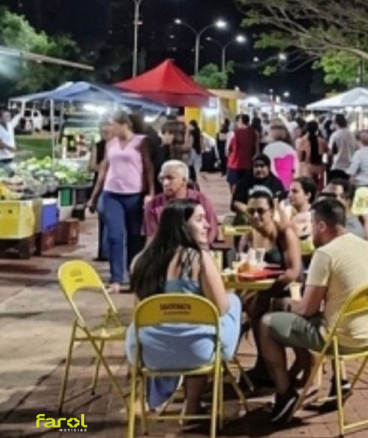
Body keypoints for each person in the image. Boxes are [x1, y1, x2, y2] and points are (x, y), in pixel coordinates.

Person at [258, 198, 368, 424]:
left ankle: (285, 393)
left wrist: (289, 305)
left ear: (322, 226)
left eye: (310, 225)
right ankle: (335, 379)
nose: (308, 231)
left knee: (267, 323)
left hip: (339, 338)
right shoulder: (367, 247)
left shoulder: (325, 254)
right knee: (298, 311)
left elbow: (307, 309)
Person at [127, 200, 241, 415]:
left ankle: (152, 400)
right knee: (229, 306)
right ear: (181, 225)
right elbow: (221, 308)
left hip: (150, 354)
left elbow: (139, 312)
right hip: (197, 351)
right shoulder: (199, 259)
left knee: (186, 326)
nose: (207, 225)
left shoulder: (141, 261)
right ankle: (191, 405)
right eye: (199, 219)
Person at [239, 186, 304, 385]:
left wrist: (265, 291)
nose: (256, 216)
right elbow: (246, 267)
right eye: (251, 211)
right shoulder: (250, 235)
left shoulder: (284, 233)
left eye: (261, 211)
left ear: (272, 210)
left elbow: (294, 272)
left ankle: (274, 369)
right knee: (238, 309)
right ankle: (264, 365)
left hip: (286, 290)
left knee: (256, 310)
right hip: (260, 289)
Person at [87, 109, 155, 293]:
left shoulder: (141, 142)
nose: (108, 128)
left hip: (134, 194)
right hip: (111, 193)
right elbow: (103, 170)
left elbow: (148, 168)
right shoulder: (111, 144)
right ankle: (116, 278)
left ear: (123, 124)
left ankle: (134, 276)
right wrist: (94, 197)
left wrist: (151, 193)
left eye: (112, 124)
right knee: (115, 236)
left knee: (135, 237)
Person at [143, 159, 218, 240]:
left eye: (170, 178)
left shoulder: (202, 201)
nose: (165, 183)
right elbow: (152, 237)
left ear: (184, 180)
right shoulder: (153, 205)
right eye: (162, 179)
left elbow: (211, 231)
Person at [347, 130, 368, 240]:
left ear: (358, 141)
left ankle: (365, 237)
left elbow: (352, 171)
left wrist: (347, 172)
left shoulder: (359, 154)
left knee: (363, 215)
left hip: (362, 185)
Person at [231, 154, 286, 225]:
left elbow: (282, 203)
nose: (259, 169)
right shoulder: (244, 182)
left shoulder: (276, 183)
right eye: (256, 166)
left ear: (268, 167)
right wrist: (250, 211)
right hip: (247, 220)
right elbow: (236, 202)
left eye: (262, 166)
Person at [88, 118, 113, 262]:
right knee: (103, 220)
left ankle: (107, 251)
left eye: (107, 128)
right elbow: (92, 166)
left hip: (110, 186)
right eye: (102, 129)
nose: (105, 131)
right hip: (101, 185)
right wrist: (104, 167)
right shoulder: (98, 146)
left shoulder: (118, 146)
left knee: (109, 221)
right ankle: (104, 252)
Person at [226, 114, 258, 192]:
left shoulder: (233, 133)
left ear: (240, 121)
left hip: (234, 164)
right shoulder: (254, 133)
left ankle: (235, 199)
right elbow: (257, 150)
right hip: (248, 164)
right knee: (247, 185)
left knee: (234, 185)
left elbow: (227, 150)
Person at [288, 177, 317, 253]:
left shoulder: (315, 216)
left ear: (307, 195)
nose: (289, 195)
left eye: (295, 191)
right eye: (290, 191)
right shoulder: (286, 213)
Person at [297, 119, 328, 190]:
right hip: (319, 167)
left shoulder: (302, 141)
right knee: (319, 187)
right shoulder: (322, 141)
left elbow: (300, 157)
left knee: (308, 186)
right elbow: (327, 153)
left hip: (307, 166)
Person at [0, 107, 20, 171]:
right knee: (8, 173)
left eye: (9, 116)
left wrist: (19, 111)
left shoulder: (9, 125)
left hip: (9, 158)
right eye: (6, 116)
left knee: (16, 172)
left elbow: (17, 118)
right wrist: (11, 148)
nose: (9, 118)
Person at [328, 113, 357, 180]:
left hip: (337, 166)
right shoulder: (351, 135)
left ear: (336, 123)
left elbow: (330, 151)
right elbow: (356, 148)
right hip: (349, 166)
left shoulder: (335, 135)